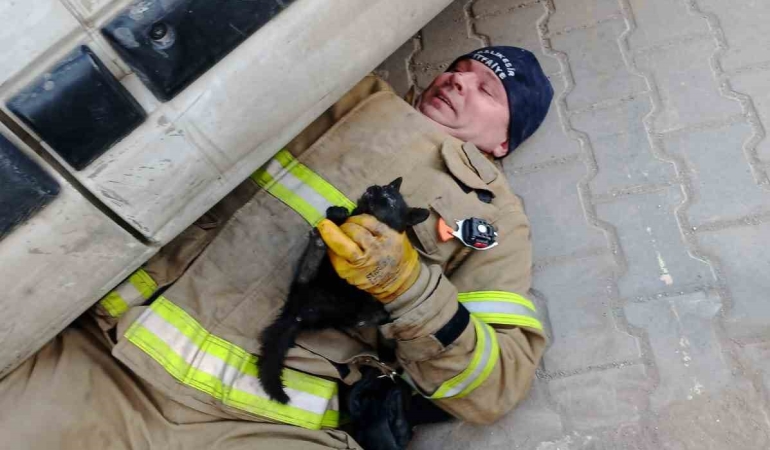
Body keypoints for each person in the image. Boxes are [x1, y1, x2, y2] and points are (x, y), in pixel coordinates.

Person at [0, 46, 553, 449]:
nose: (458, 82)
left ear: (504, 141)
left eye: (487, 90)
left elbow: (496, 386)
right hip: (111, 361)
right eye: (460, 69)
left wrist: (411, 288)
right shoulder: (347, 95)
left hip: (263, 424)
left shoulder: (492, 214)